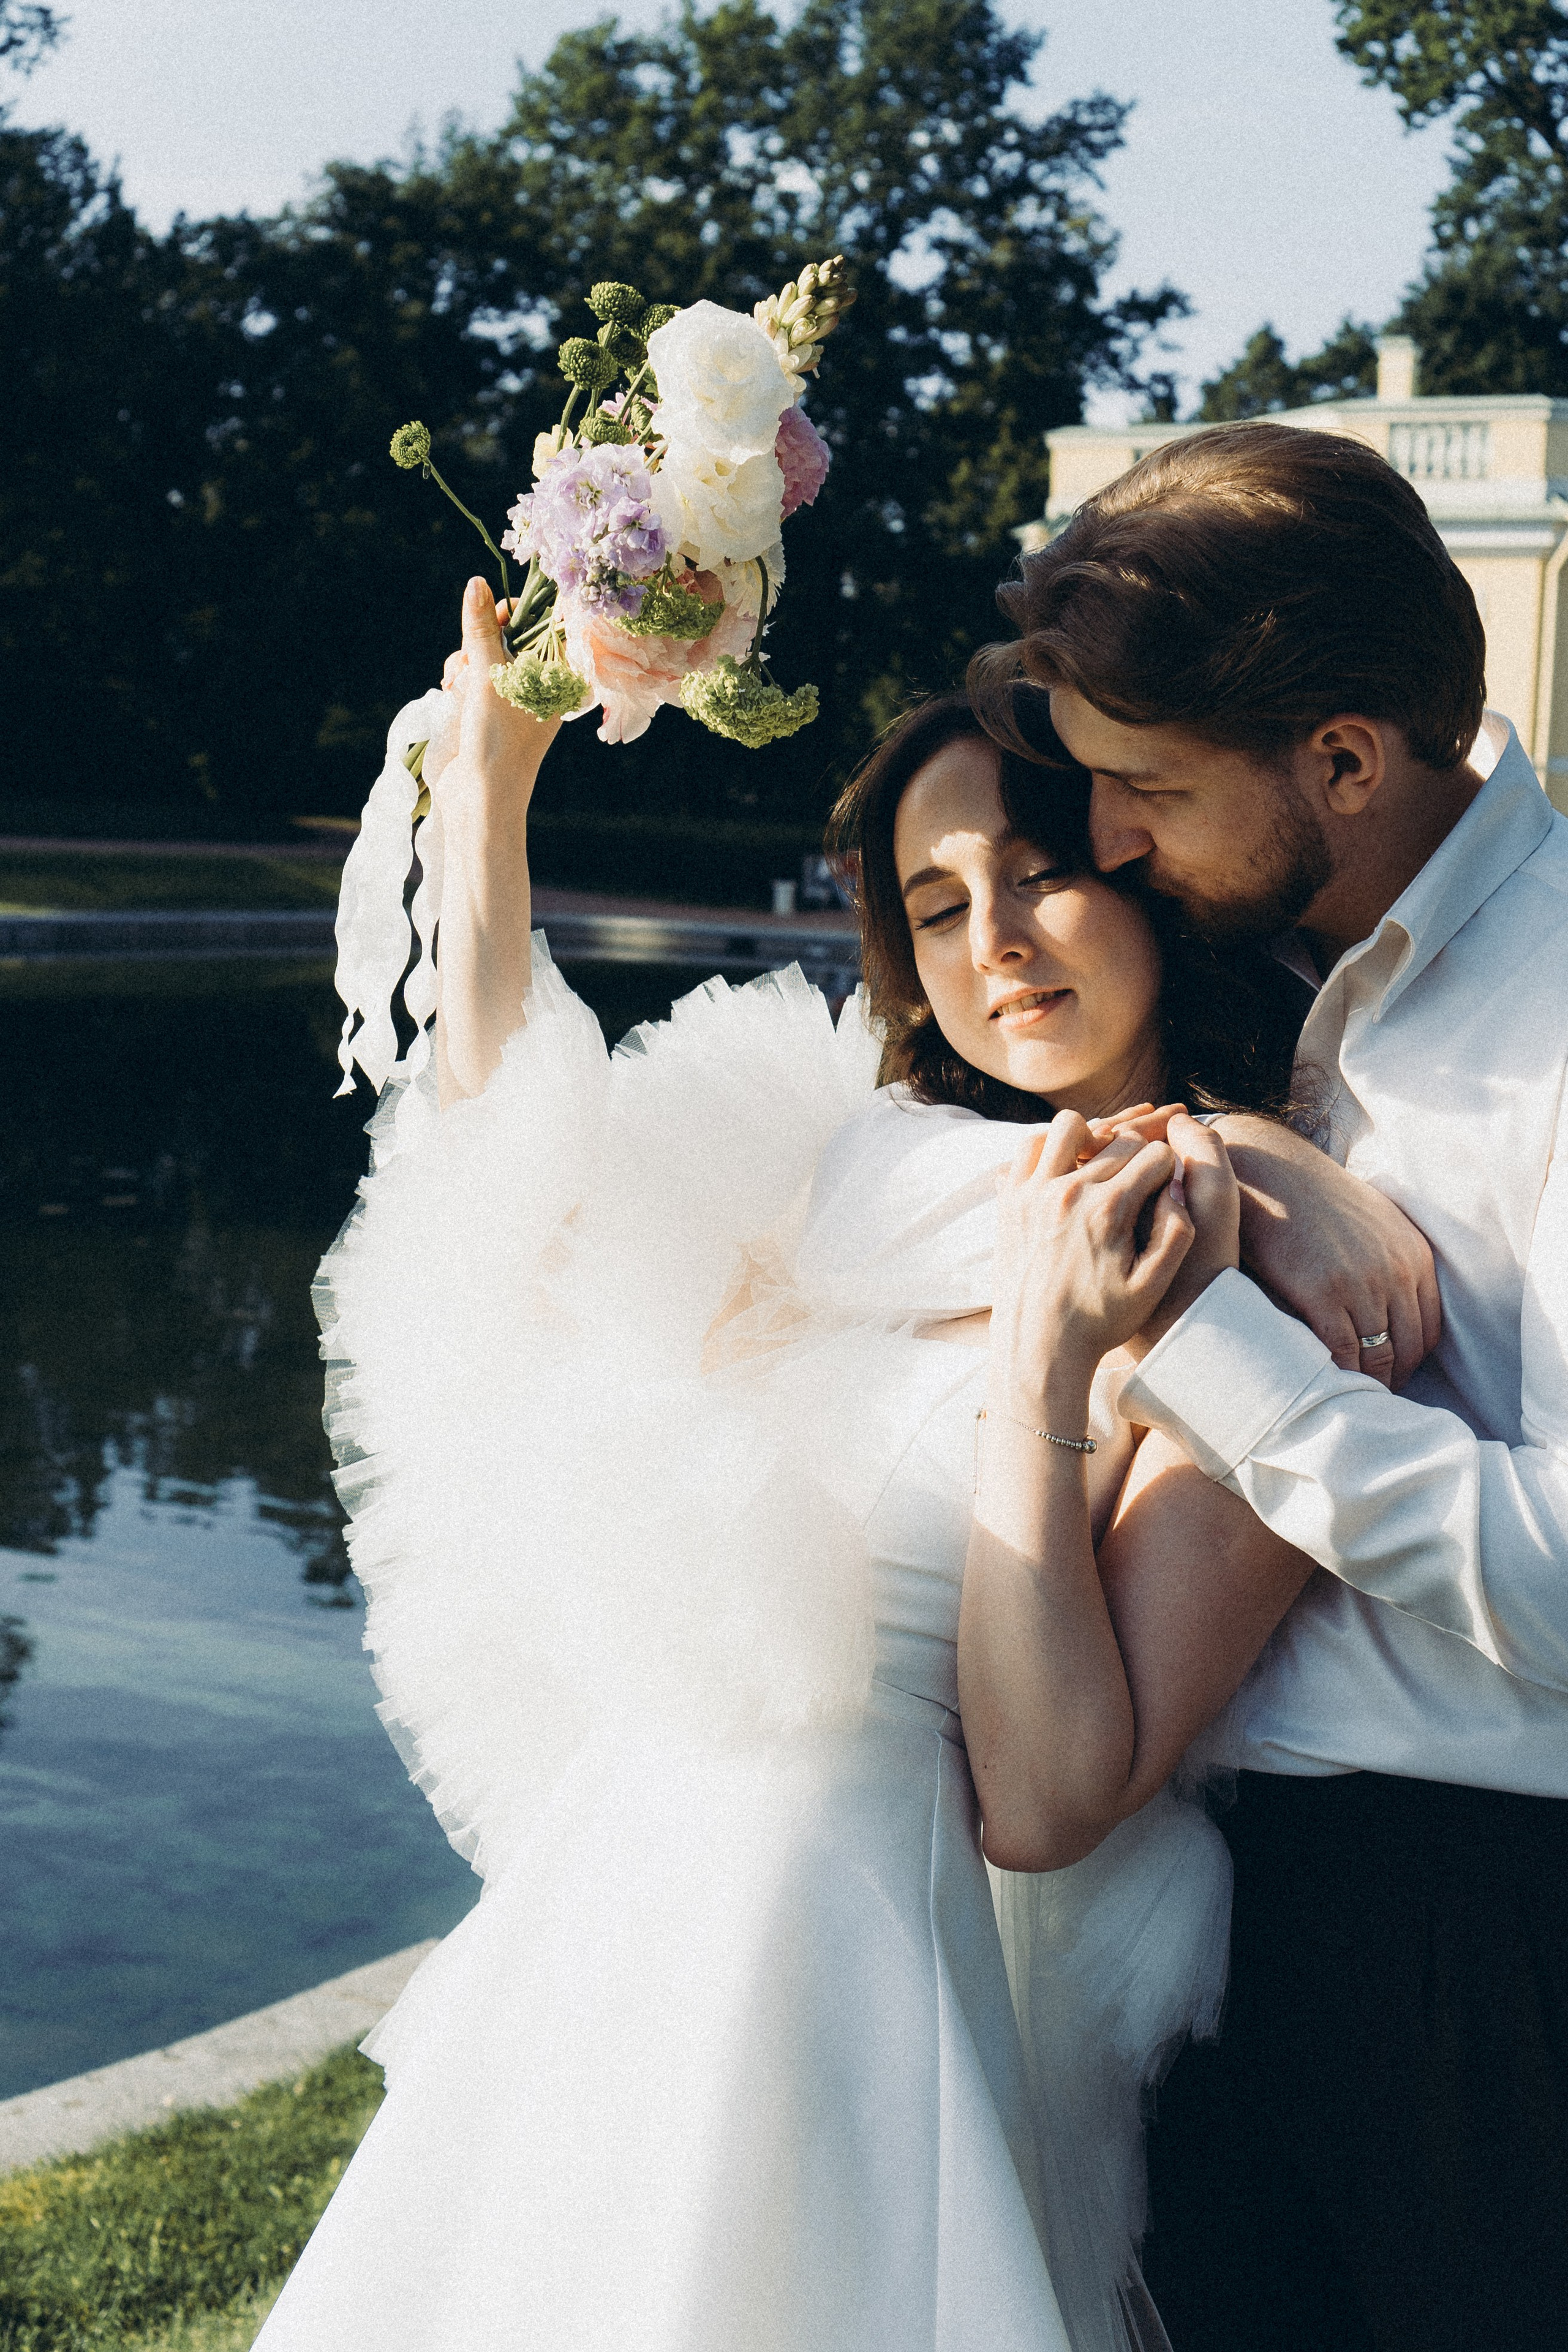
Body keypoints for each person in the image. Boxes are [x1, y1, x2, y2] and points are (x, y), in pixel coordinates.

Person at [255, 584, 1414, 2352]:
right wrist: (491, 792)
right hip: (616, 1899)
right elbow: (516, 1194)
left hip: (845, 1945)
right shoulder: (847, 1168)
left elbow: (1053, 1794)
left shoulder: (1236, 1287)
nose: (995, 944)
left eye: (1036, 875)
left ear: (1143, 875)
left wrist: (1070, 1343)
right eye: (937, 906)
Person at [973, 417, 1568, 2352]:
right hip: (1233, 1927)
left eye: (1149, 788)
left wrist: (1206, 1354)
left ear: (1344, 757)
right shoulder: (1277, 970)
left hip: (1473, 1957)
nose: (1113, 843)